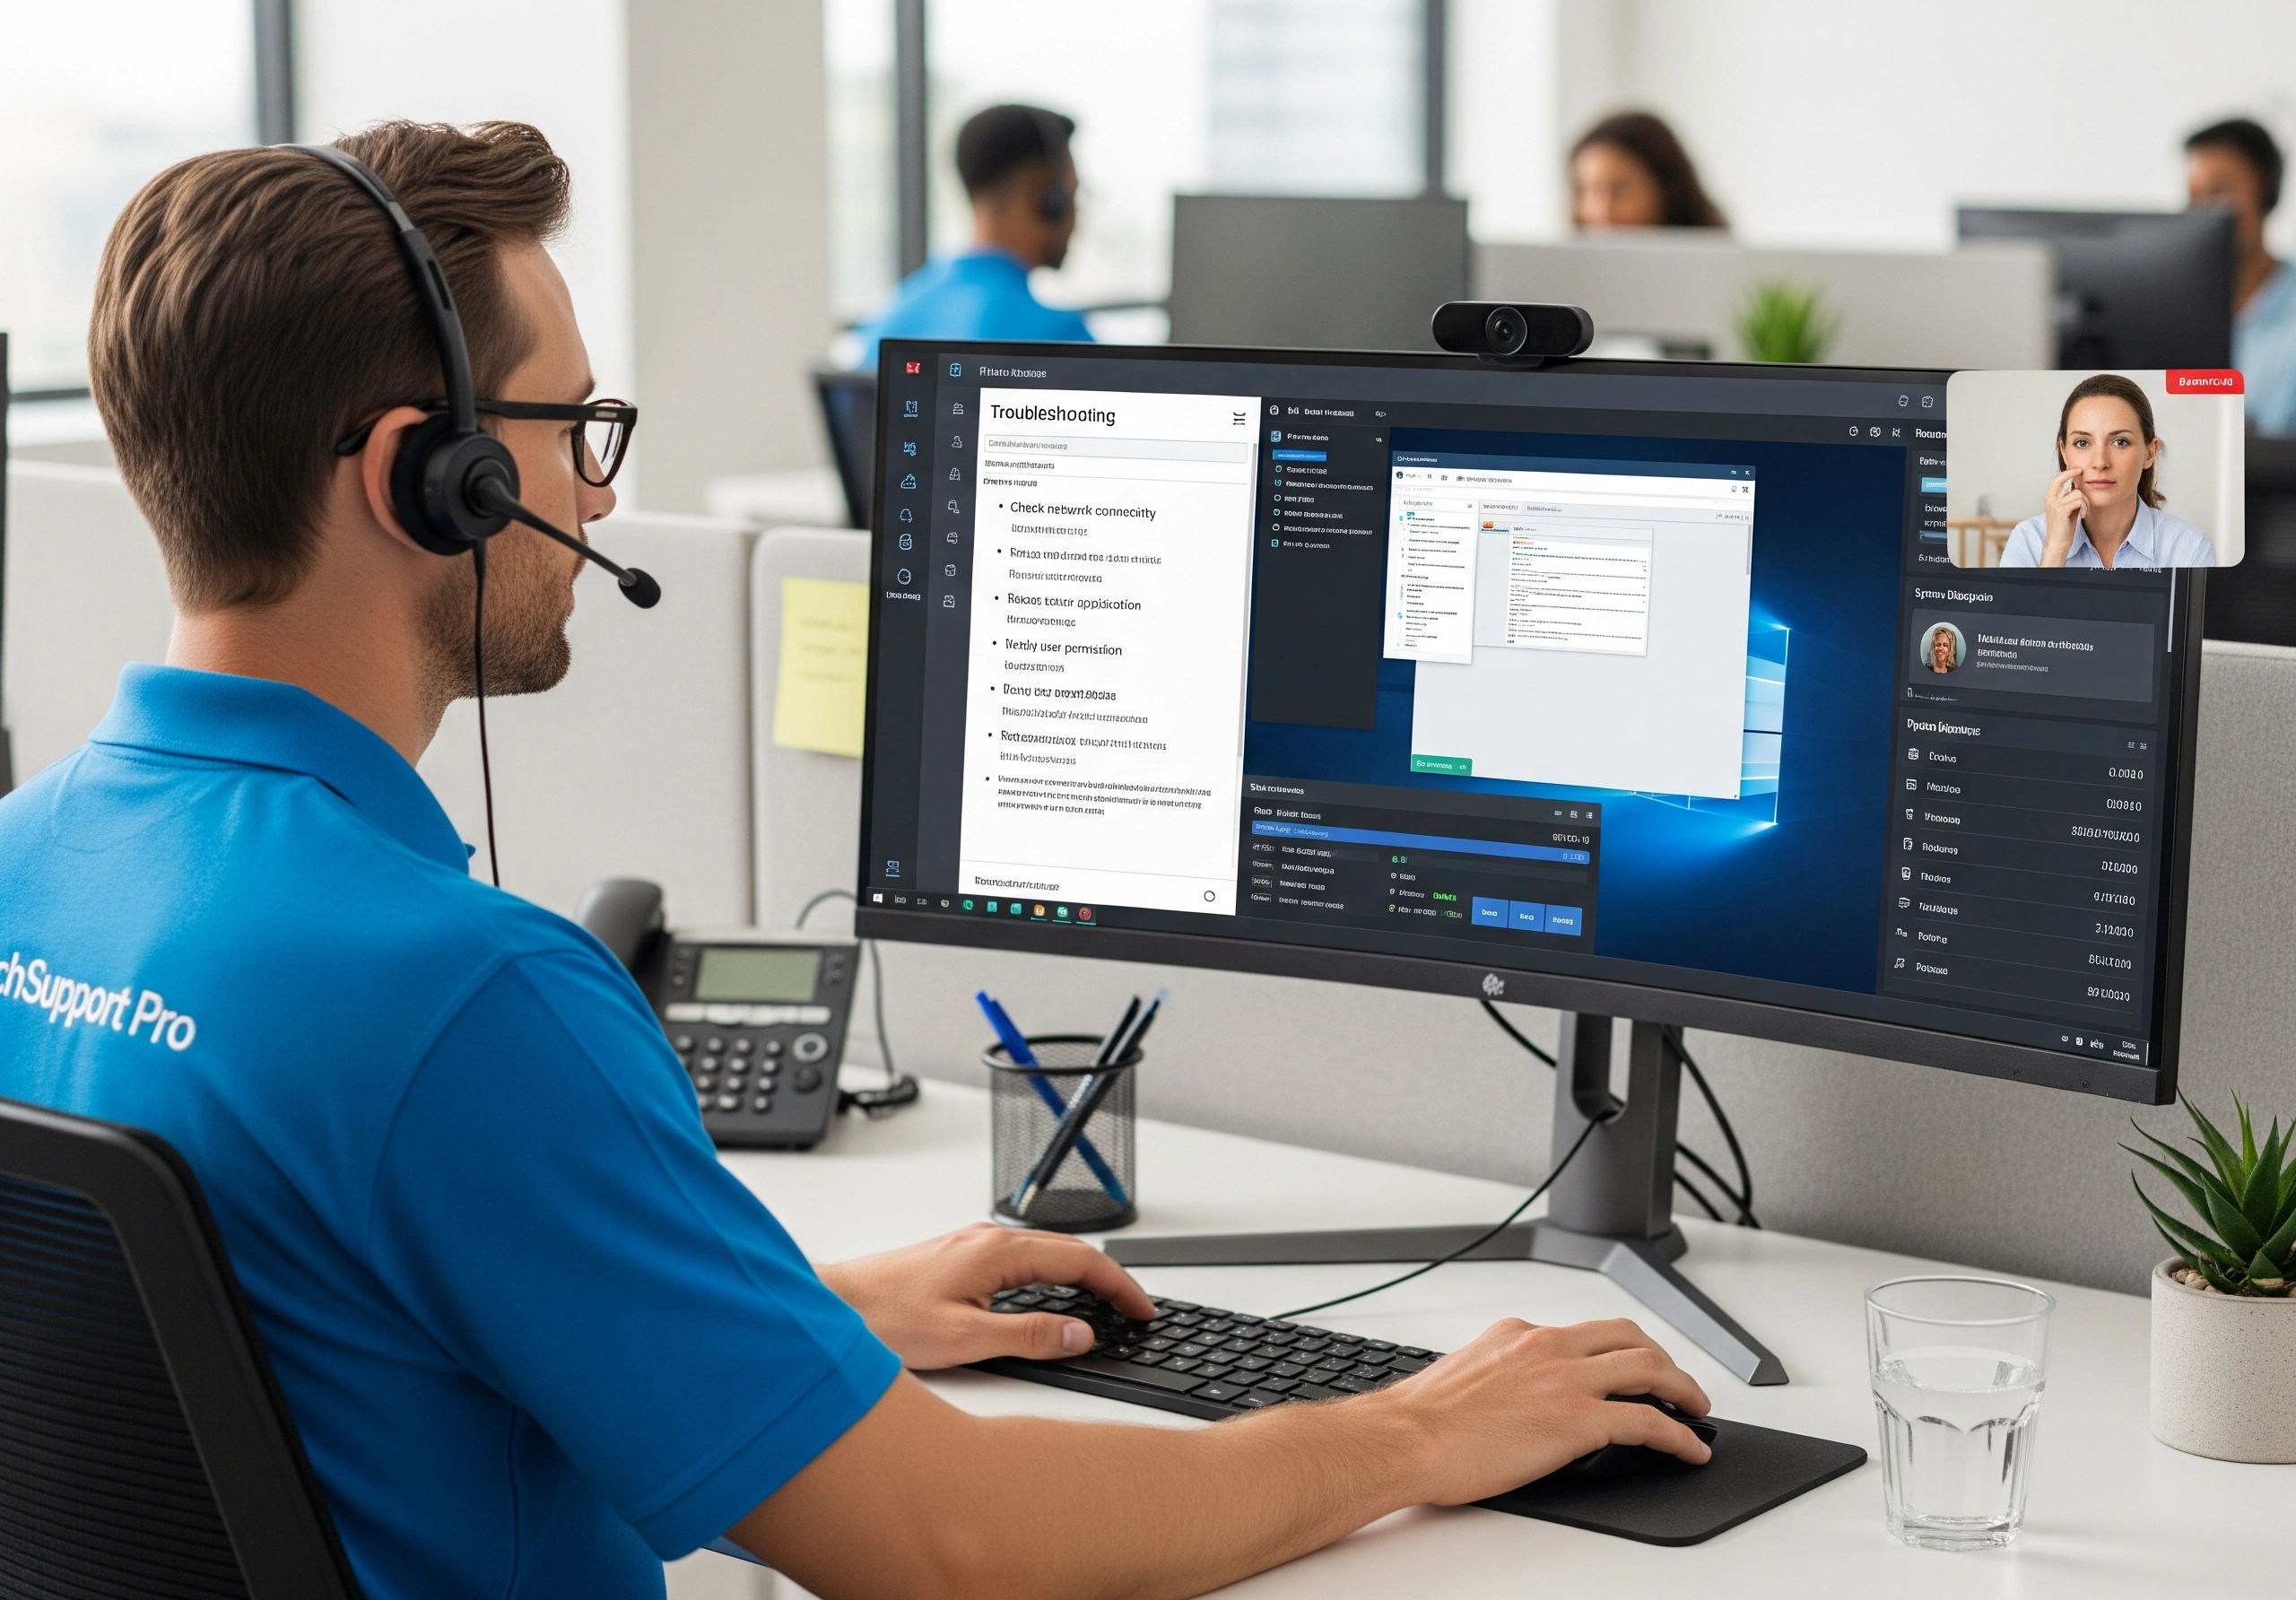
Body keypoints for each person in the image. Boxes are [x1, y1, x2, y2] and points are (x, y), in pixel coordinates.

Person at [0, 120, 1710, 1600]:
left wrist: (809, 1315)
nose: (591, 501)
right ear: (426, 478)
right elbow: (955, 1546)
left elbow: (312, 1323)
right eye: (571, 429)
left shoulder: (21, 863)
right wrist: (1415, 1423)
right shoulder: (462, 997)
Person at [853, 104, 1092, 358]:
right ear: (1045, 196)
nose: (1077, 216)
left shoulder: (885, 323)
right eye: (1072, 195)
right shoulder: (1060, 337)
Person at [2001, 374, 2217, 570]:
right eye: (2083, 443)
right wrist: (2055, 551)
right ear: (2064, 452)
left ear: (2149, 453)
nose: (2100, 462)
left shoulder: (2190, 547)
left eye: (2120, 442)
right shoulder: (2028, 540)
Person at [2186, 117, 2296, 436]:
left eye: (2218, 191)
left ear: (2266, 193)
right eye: (2194, 196)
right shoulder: (2179, 312)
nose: (2203, 211)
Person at [1570, 111, 1728, 232]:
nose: (1602, 213)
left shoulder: (1724, 266)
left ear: (1666, 188)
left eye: (1619, 189)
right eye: (1586, 190)